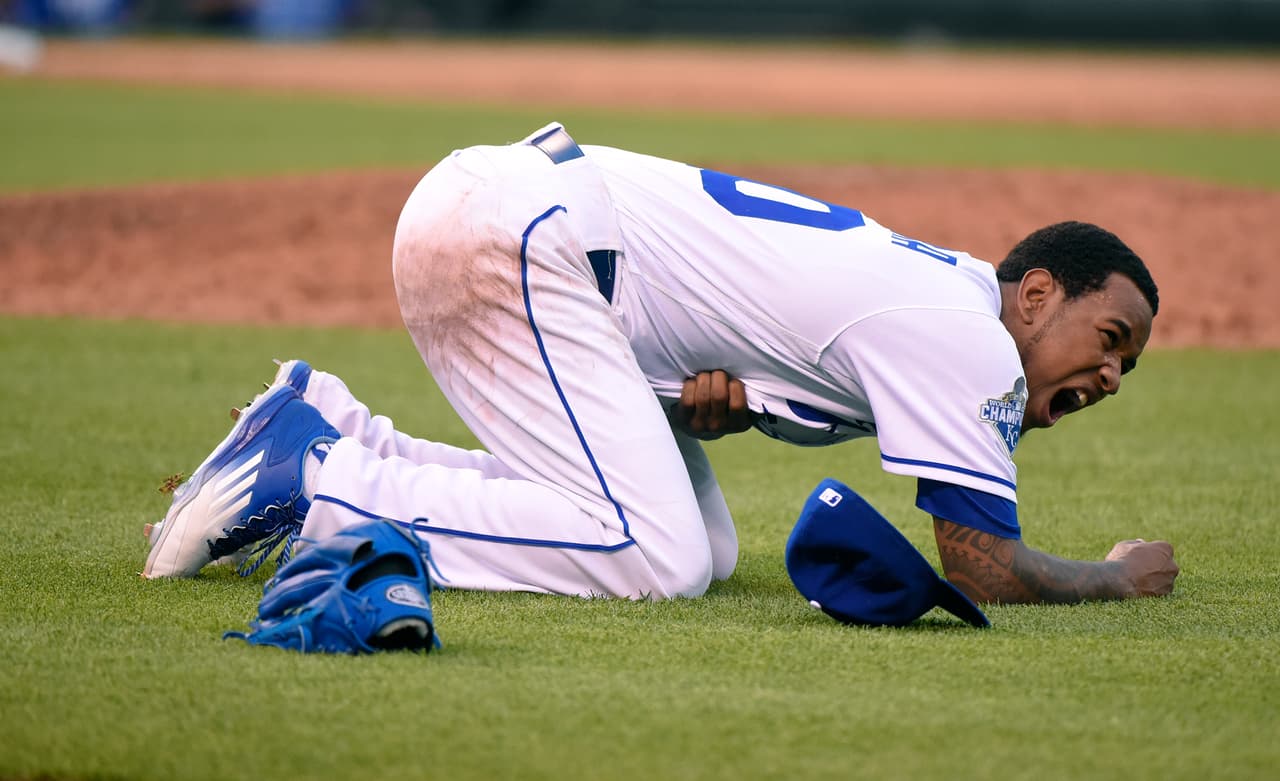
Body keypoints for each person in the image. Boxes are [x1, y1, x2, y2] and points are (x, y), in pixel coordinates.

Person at [143, 122, 1179, 606]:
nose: (1110, 378)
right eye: (1109, 339)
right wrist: (1114, 580)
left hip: (509, 216)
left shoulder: (927, 296)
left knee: (710, 546)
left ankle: (329, 433)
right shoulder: (967, 339)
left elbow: (725, 338)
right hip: (524, 234)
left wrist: (700, 406)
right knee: (656, 556)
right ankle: (315, 486)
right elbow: (981, 567)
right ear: (1036, 291)